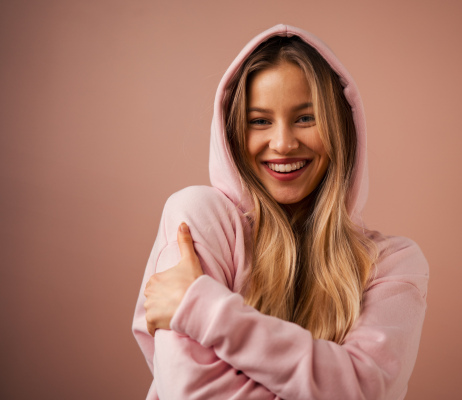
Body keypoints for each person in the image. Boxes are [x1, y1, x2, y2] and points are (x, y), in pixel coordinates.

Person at [132, 24, 429, 400]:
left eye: (306, 118)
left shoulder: (394, 265)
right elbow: (192, 393)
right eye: (259, 121)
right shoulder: (198, 219)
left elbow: (364, 390)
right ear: (232, 133)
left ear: (341, 128)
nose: (283, 143)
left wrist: (205, 311)